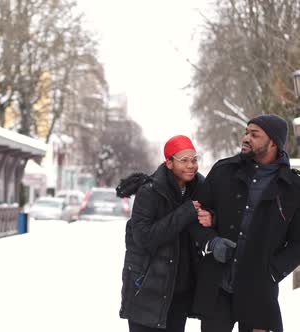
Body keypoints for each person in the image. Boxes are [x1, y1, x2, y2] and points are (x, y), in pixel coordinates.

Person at [190, 114, 300, 332]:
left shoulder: (293, 187)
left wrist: (273, 272)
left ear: (273, 142)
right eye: (246, 132)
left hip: (259, 293)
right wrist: (212, 243)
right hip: (218, 289)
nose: (246, 138)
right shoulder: (223, 171)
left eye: (254, 134)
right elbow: (194, 216)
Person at [118, 135, 204, 332]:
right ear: (169, 163)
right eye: (184, 160)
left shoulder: (198, 189)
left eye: (194, 159)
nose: (191, 165)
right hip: (147, 289)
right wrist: (184, 213)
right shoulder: (149, 192)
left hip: (179, 291)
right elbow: (143, 237)